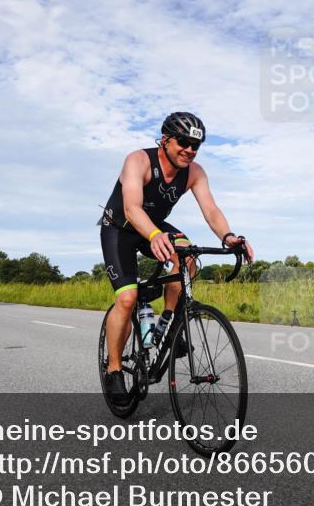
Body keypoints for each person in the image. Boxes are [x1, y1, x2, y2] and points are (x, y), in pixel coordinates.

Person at [99, 112, 253, 401]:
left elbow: (211, 210)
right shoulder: (139, 160)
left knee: (189, 255)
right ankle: (114, 368)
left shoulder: (194, 172)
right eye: (183, 142)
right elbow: (132, 208)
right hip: (120, 228)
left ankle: (170, 322)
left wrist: (229, 237)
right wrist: (155, 236)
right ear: (166, 140)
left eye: (196, 145)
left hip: (154, 227)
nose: (190, 150)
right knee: (128, 298)